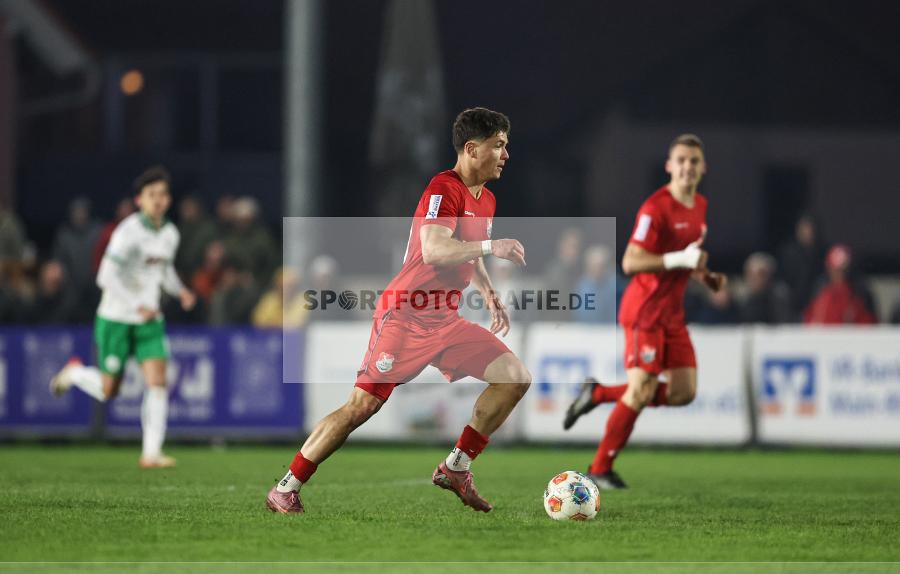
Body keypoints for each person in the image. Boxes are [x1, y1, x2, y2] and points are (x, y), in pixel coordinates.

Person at [266, 107, 531, 514]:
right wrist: (491, 248)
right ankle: (287, 485)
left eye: (506, 146)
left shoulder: (487, 199)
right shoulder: (444, 188)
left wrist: (489, 291)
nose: (506, 154)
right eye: (499, 146)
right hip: (406, 315)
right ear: (472, 148)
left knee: (514, 377)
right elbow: (436, 249)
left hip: (446, 319)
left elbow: (468, 254)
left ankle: (456, 467)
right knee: (363, 406)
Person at [561, 134, 726, 489]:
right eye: (681, 160)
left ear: (703, 167)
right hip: (645, 311)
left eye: (694, 161)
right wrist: (680, 259)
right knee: (640, 391)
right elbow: (631, 260)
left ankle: (599, 394)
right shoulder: (655, 208)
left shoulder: (700, 207)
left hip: (672, 315)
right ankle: (600, 467)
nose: (687, 167)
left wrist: (706, 276)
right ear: (669, 165)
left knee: (684, 392)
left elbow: (688, 256)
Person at [49, 166, 196, 468]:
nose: (158, 200)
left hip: (149, 322)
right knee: (109, 390)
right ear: (140, 200)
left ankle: (151, 453)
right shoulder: (128, 232)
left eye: (163, 195)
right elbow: (105, 275)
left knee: (158, 381)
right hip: (116, 317)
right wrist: (135, 304)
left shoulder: (169, 233)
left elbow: (164, 270)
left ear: (168, 200)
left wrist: (181, 291)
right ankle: (75, 373)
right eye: (151, 195)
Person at [803, 244, 876, 324]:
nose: (838, 274)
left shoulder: (859, 294)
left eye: (842, 270)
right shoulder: (820, 292)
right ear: (828, 269)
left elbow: (869, 325)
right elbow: (809, 320)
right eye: (834, 270)